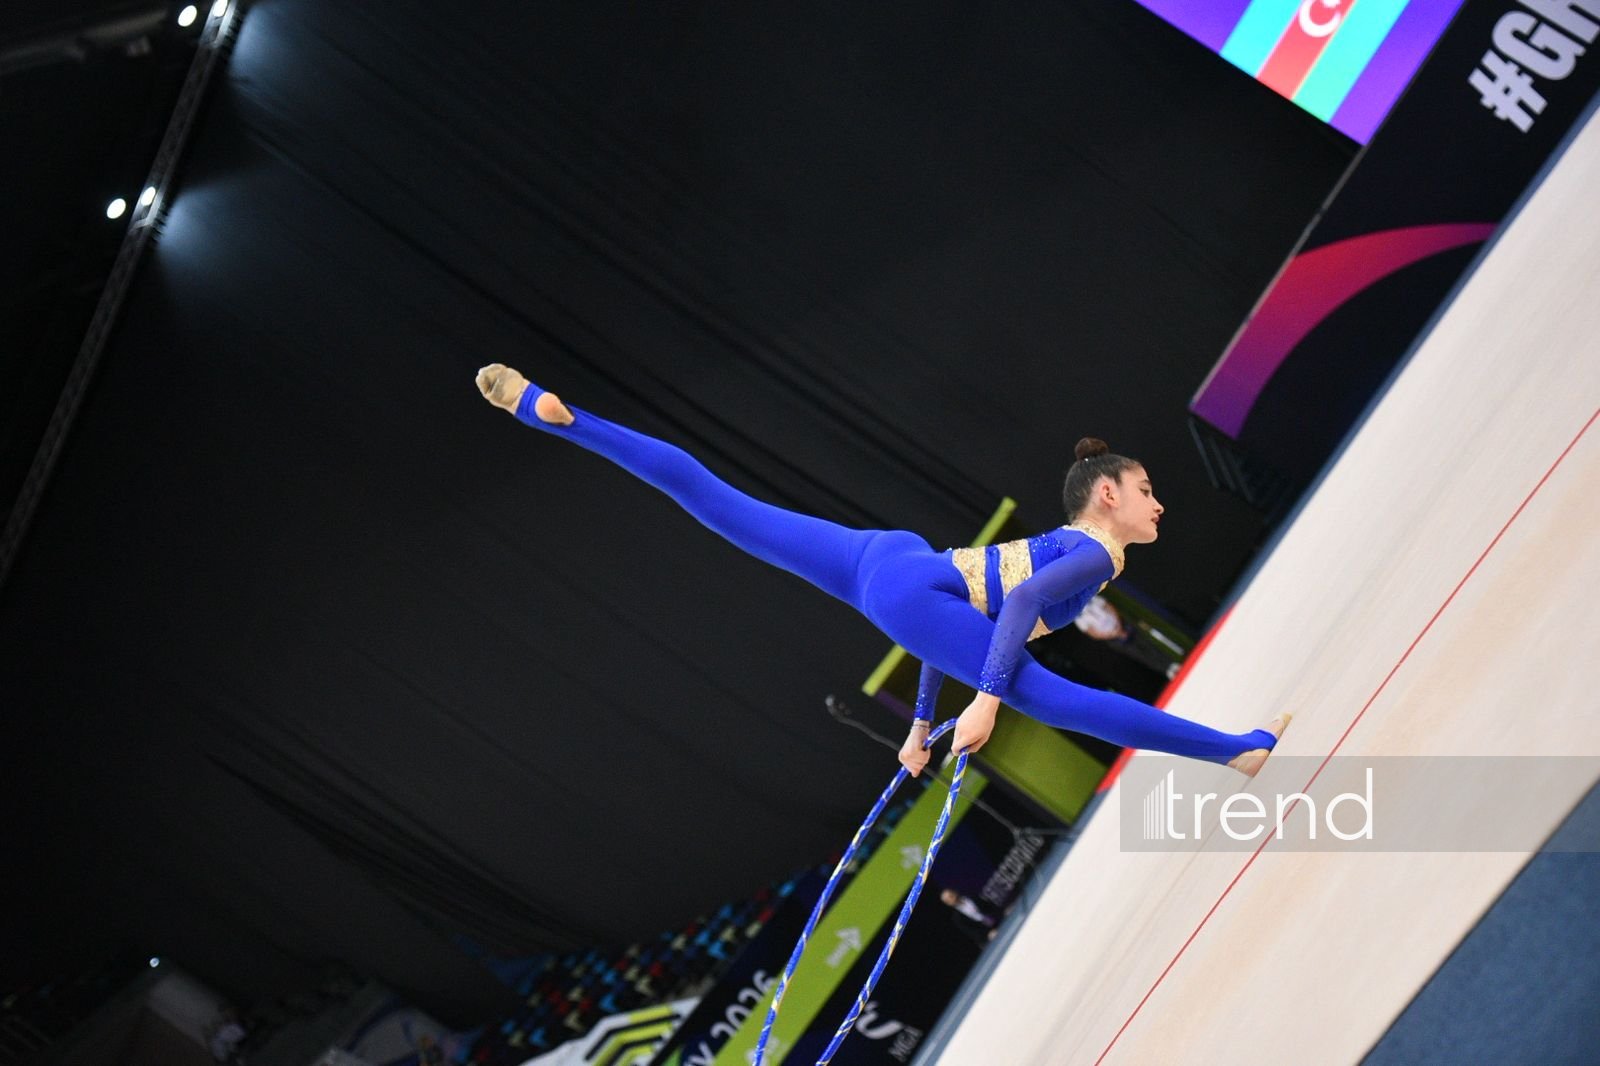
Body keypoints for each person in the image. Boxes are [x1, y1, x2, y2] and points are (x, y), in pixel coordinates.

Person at [475, 365, 1288, 777]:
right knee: (1059, 697)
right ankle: (1235, 751)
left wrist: (918, 722)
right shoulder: (1089, 552)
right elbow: (1015, 614)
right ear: (1105, 496)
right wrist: (989, 704)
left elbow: (946, 625)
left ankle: (560, 415)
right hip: (906, 579)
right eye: (1147, 492)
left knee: (721, 504)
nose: (1159, 506)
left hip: (898, 560)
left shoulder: (1083, 550)